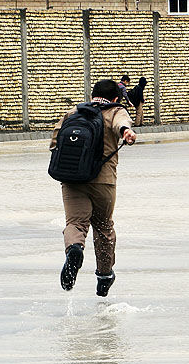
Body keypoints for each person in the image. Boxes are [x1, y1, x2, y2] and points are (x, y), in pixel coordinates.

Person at [51, 79, 136, 296]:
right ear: (116, 98)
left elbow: (54, 142)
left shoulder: (74, 112)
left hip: (72, 179)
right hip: (103, 181)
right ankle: (104, 276)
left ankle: (75, 249)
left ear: (92, 95)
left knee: (75, 223)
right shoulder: (116, 111)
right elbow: (121, 123)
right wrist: (126, 132)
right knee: (103, 227)